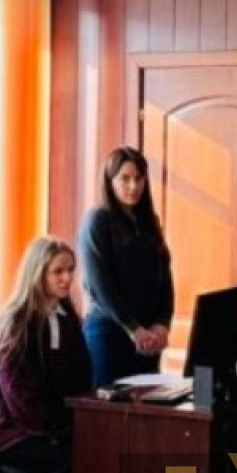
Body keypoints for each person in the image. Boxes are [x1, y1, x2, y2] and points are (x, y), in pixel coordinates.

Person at [0, 237, 93, 473]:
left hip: (51, 429)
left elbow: (81, 377)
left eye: (70, 270)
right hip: (9, 435)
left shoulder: (67, 318)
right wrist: (58, 432)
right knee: (79, 464)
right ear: (38, 274)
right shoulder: (16, 323)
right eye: (58, 271)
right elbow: (20, 398)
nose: (67, 278)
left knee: (100, 451)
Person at [78, 147, 175, 387]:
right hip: (109, 332)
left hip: (148, 336)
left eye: (139, 178)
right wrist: (133, 328)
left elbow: (164, 277)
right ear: (110, 181)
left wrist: (163, 323)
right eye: (125, 178)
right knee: (110, 403)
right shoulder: (98, 220)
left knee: (148, 402)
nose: (133, 186)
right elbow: (100, 285)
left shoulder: (150, 221)